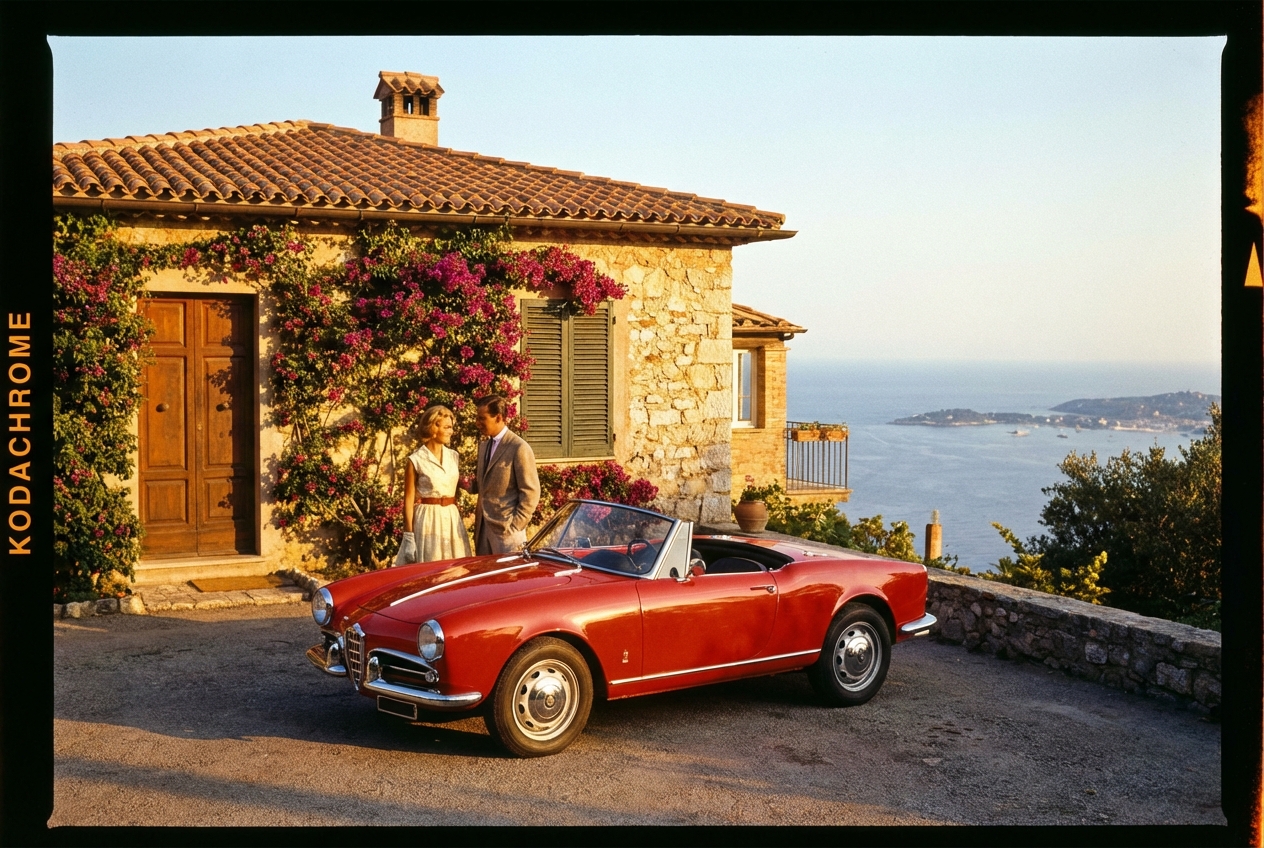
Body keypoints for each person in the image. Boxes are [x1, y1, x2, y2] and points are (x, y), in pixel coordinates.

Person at [395, 405, 472, 565]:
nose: (451, 431)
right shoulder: (416, 460)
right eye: (447, 427)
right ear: (433, 427)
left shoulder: (453, 456)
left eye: (451, 427)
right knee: (431, 568)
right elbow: (408, 501)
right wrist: (408, 535)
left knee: (456, 569)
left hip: (452, 518)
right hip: (428, 520)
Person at [470, 394, 540, 555]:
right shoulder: (484, 446)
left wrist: (515, 526)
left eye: (482, 418)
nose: (477, 423)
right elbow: (484, 484)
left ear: (499, 417)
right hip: (483, 531)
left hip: (508, 533)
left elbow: (531, 491)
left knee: (509, 579)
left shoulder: (519, 448)